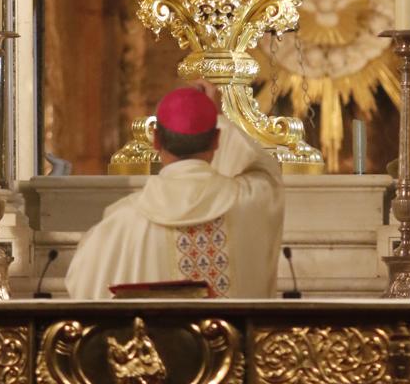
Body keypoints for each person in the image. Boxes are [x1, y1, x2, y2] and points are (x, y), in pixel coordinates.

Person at [65, 85, 283, 300]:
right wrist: (219, 119)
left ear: (156, 140)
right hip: (231, 337)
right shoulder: (249, 202)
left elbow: (80, 284)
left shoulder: (122, 222)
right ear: (217, 139)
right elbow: (267, 169)